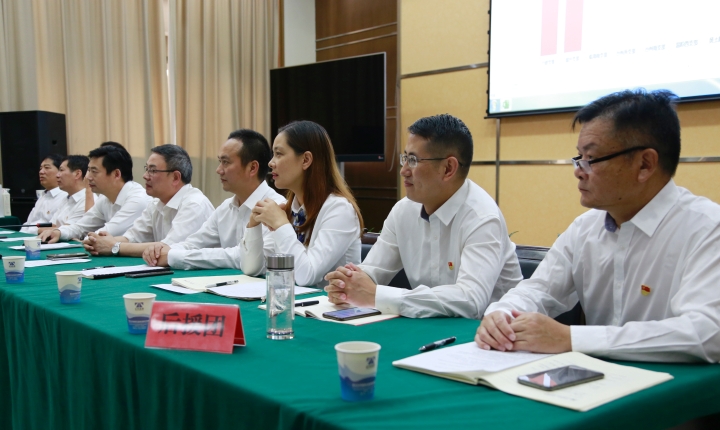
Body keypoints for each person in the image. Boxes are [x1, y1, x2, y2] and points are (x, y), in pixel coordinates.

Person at [476, 89, 720, 363]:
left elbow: (707, 333)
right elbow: (539, 290)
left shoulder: (708, 229)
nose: (578, 170)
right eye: (578, 157)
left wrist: (571, 338)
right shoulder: (585, 228)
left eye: (591, 158)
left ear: (645, 164)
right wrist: (502, 314)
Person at [324, 114, 522, 319]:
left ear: (448, 168)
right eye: (404, 158)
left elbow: (470, 300)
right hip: (433, 326)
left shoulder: (482, 218)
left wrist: (376, 295)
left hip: (492, 331)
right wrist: (347, 284)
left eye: (413, 160)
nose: (403, 171)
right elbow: (373, 270)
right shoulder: (403, 211)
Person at [241, 121, 363, 287]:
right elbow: (252, 269)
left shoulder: (340, 210)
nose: (271, 163)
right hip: (295, 300)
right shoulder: (291, 208)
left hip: (331, 303)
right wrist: (253, 226)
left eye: (279, 154)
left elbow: (306, 276)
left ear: (306, 160)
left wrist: (281, 225)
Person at [142, 129, 285, 269]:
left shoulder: (277, 207)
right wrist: (162, 249)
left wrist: (173, 256)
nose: (218, 170)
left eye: (226, 162)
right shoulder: (226, 207)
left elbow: (246, 256)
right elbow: (194, 243)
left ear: (252, 168)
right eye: (219, 161)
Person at [82, 145, 214, 257]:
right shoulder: (156, 203)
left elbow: (168, 248)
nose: (145, 176)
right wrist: (100, 242)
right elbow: (132, 238)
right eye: (147, 169)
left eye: (153, 171)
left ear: (175, 177)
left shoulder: (194, 204)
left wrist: (114, 246)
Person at [39, 145, 152, 243]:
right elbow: (81, 226)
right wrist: (58, 232)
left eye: (94, 171)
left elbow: (104, 234)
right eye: (88, 170)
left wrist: (82, 239)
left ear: (116, 174)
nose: (88, 177)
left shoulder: (137, 200)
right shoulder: (105, 198)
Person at [36, 155, 91, 234]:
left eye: (61, 170)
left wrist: (54, 230)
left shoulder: (87, 200)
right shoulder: (66, 199)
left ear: (77, 174)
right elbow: (51, 226)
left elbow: (69, 231)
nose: (57, 175)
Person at [21, 154, 67, 234]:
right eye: (40, 168)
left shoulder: (65, 196)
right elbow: (28, 224)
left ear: (60, 171)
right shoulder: (43, 195)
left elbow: (55, 227)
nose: (41, 172)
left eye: (47, 168)